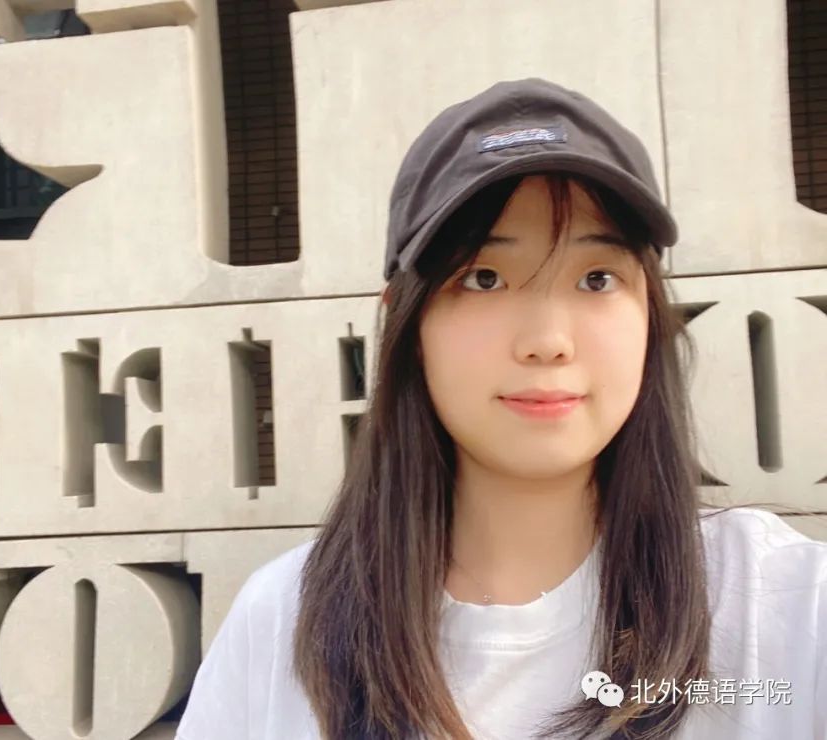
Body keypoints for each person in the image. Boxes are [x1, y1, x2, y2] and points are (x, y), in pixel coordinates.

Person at [175, 78, 827, 739]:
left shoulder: (785, 605)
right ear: (407, 323)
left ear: (649, 313)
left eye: (596, 279)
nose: (548, 340)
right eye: (484, 279)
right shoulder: (282, 620)